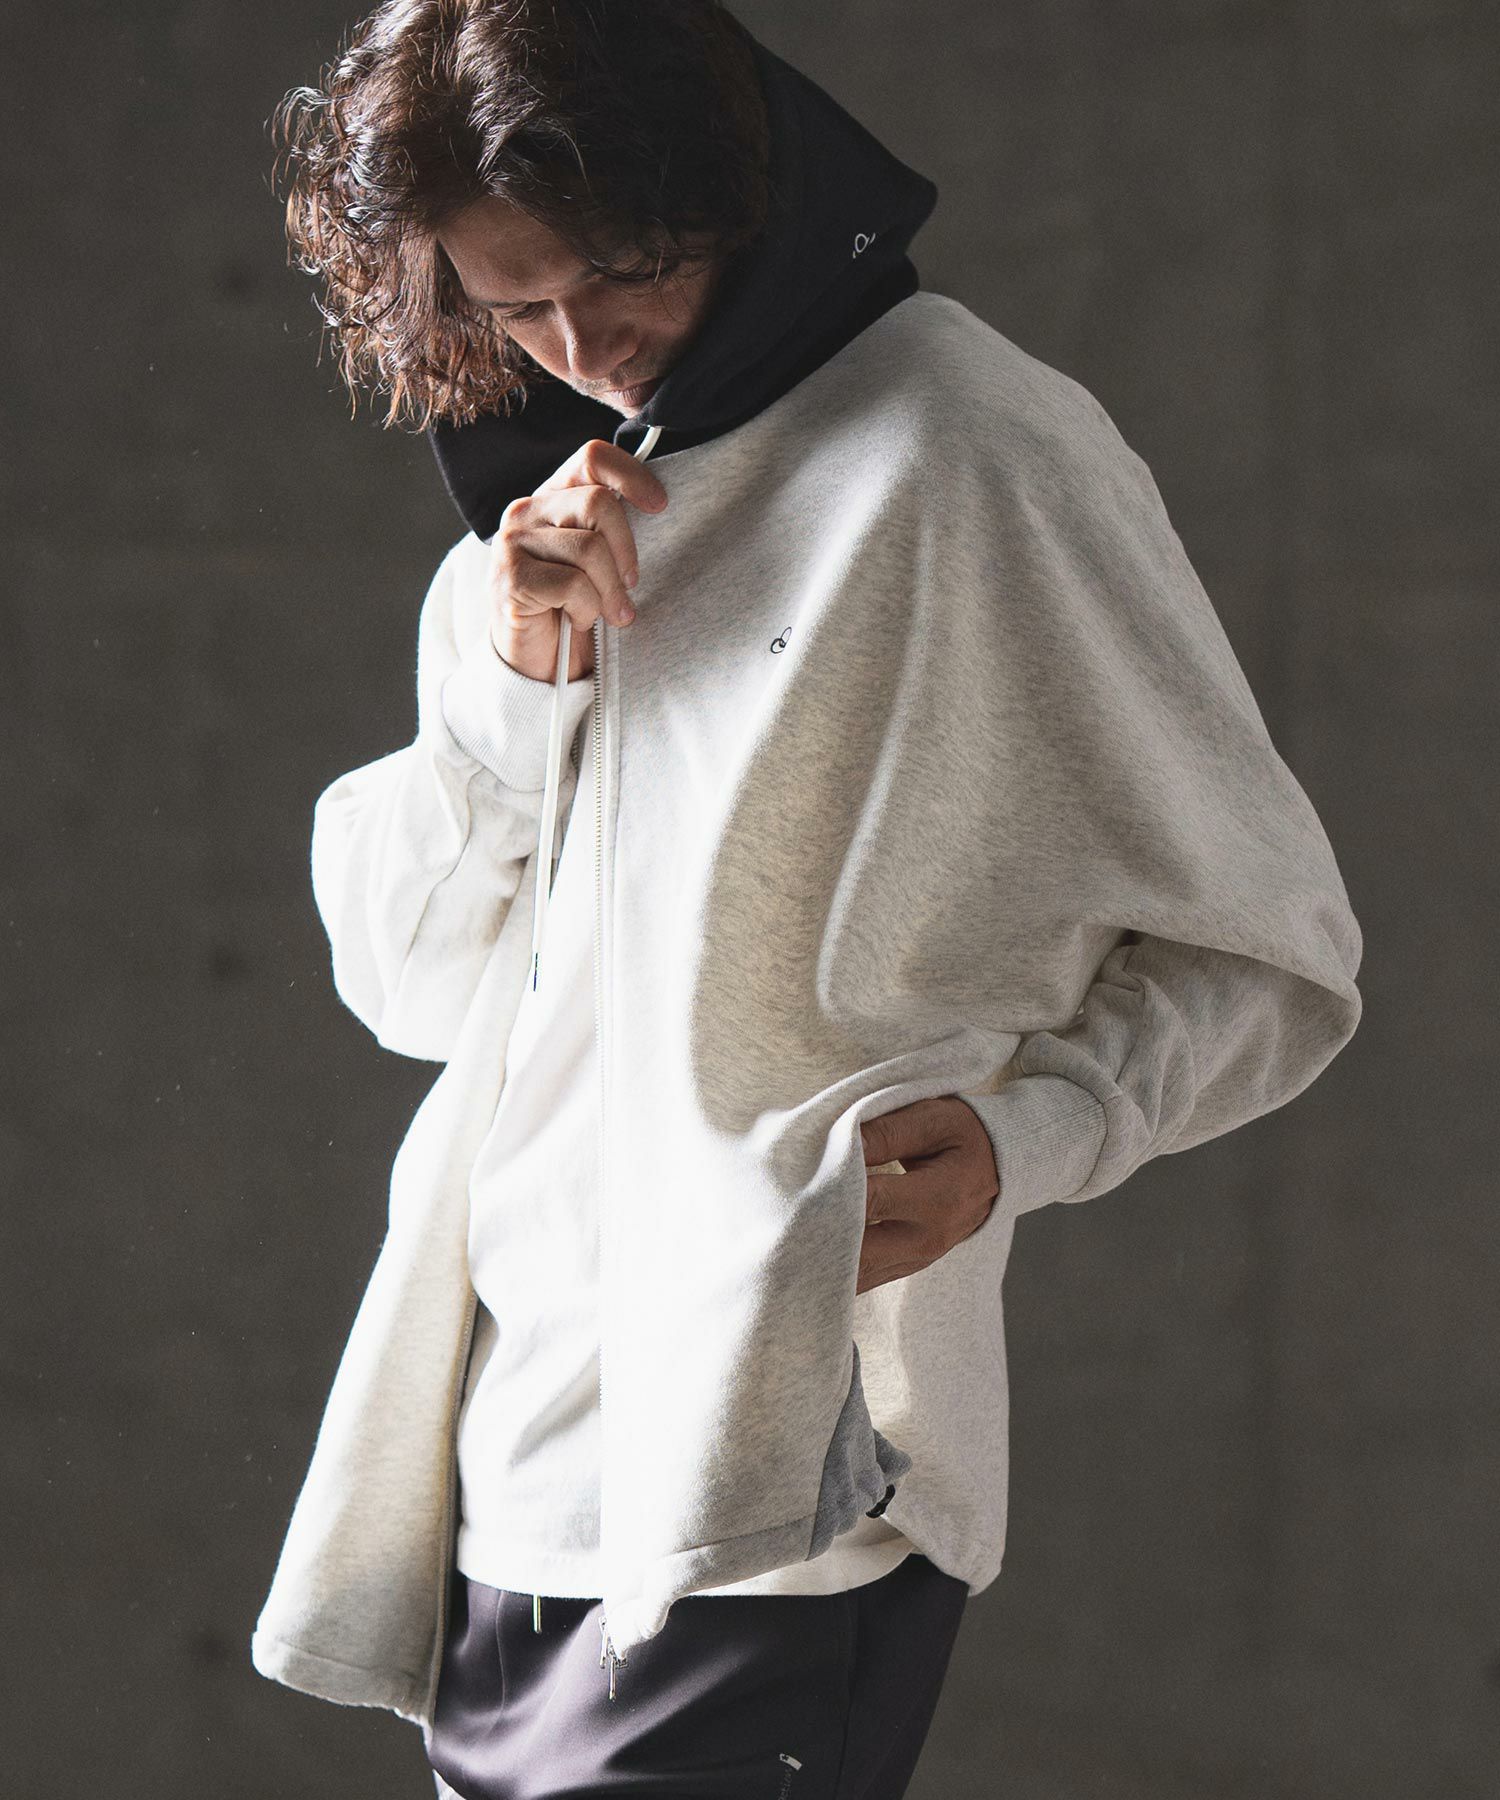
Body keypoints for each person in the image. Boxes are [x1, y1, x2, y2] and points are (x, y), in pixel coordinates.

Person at [251, 4, 1365, 1796]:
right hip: (498, 1462)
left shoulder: (974, 448)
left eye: (617, 274)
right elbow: (411, 980)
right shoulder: (539, 532)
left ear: (727, 187)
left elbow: (1278, 947)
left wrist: (1032, 1136)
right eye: (513, 308)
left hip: (784, 1472)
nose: (579, 348)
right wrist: (516, 676)